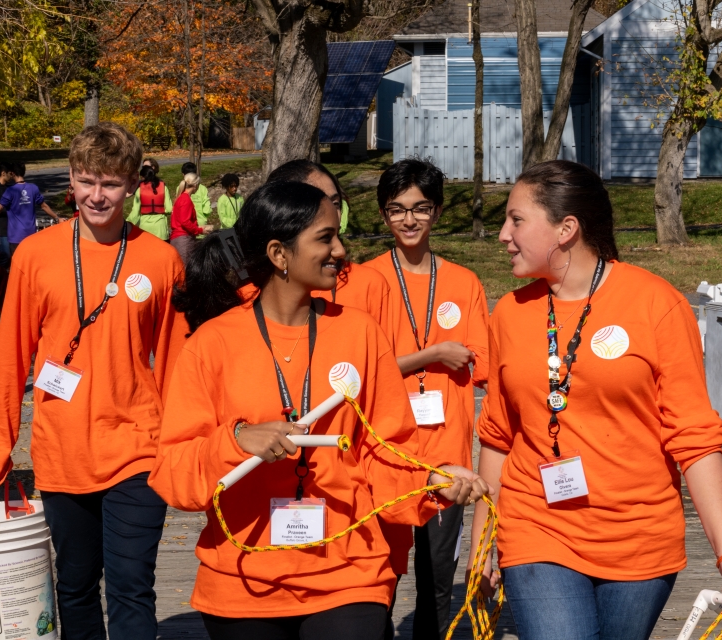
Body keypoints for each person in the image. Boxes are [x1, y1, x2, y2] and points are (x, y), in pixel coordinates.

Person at [149, 181, 489, 640]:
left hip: (349, 574)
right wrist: (235, 441)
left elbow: (385, 450)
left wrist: (430, 479)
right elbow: (173, 473)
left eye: (338, 236)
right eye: (325, 238)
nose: (342, 251)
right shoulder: (213, 343)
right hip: (243, 578)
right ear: (279, 253)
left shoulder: (361, 334)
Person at [469, 160, 722, 640]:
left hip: (639, 537)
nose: (503, 234)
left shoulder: (657, 304)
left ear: (566, 229)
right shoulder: (509, 315)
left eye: (516, 220)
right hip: (536, 526)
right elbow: (498, 437)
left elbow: (694, 438)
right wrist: (482, 542)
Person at [0, 122, 189, 640]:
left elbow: (176, 363)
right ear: (71, 183)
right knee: (74, 586)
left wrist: (184, 448)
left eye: (111, 183)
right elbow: (10, 357)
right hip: (63, 450)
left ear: (131, 185)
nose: (98, 195)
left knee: (130, 586)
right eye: (86, 181)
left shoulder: (161, 261)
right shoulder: (34, 256)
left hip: (138, 450)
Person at [364, 158, 489, 640]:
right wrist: (432, 354)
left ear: (436, 212)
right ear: (383, 214)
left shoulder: (464, 282)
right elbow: (361, 372)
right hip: (388, 455)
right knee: (381, 575)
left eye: (419, 209)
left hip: (448, 456)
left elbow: (482, 366)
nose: (409, 220)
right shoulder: (367, 280)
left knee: (438, 579)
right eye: (397, 210)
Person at [267, 160, 393, 338]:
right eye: (316, 202)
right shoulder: (248, 295)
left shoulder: (370, 285)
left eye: (335, 203)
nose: (331, 213)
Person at [0, 161, 60, 254]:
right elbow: (44, 206)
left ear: (12, 173)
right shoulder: (33, 188)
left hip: (15, 237)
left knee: (16, 264)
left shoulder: (10, 191)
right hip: (31, 235)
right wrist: (57, 218)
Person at [127, 163, 173, 241]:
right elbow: (169, 209)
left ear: (143, 177)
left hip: (145, 229)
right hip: (160, 230)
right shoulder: (163, 188)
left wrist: (126, 224)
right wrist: (160, 210)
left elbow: (135, 213)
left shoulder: (139, 190)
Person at [170, 173, 210, 260]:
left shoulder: (180, 198)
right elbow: (185, 221)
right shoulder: (186, 200)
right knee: (186, 268)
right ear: (195, 185)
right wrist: (199, 230)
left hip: (177, 237)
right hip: (183, 239)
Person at [180, 161, 211, 238]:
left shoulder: (180, 188)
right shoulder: (203, 188)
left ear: (183, 175)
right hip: (201, 225)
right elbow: (206, 210)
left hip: (186, 228)